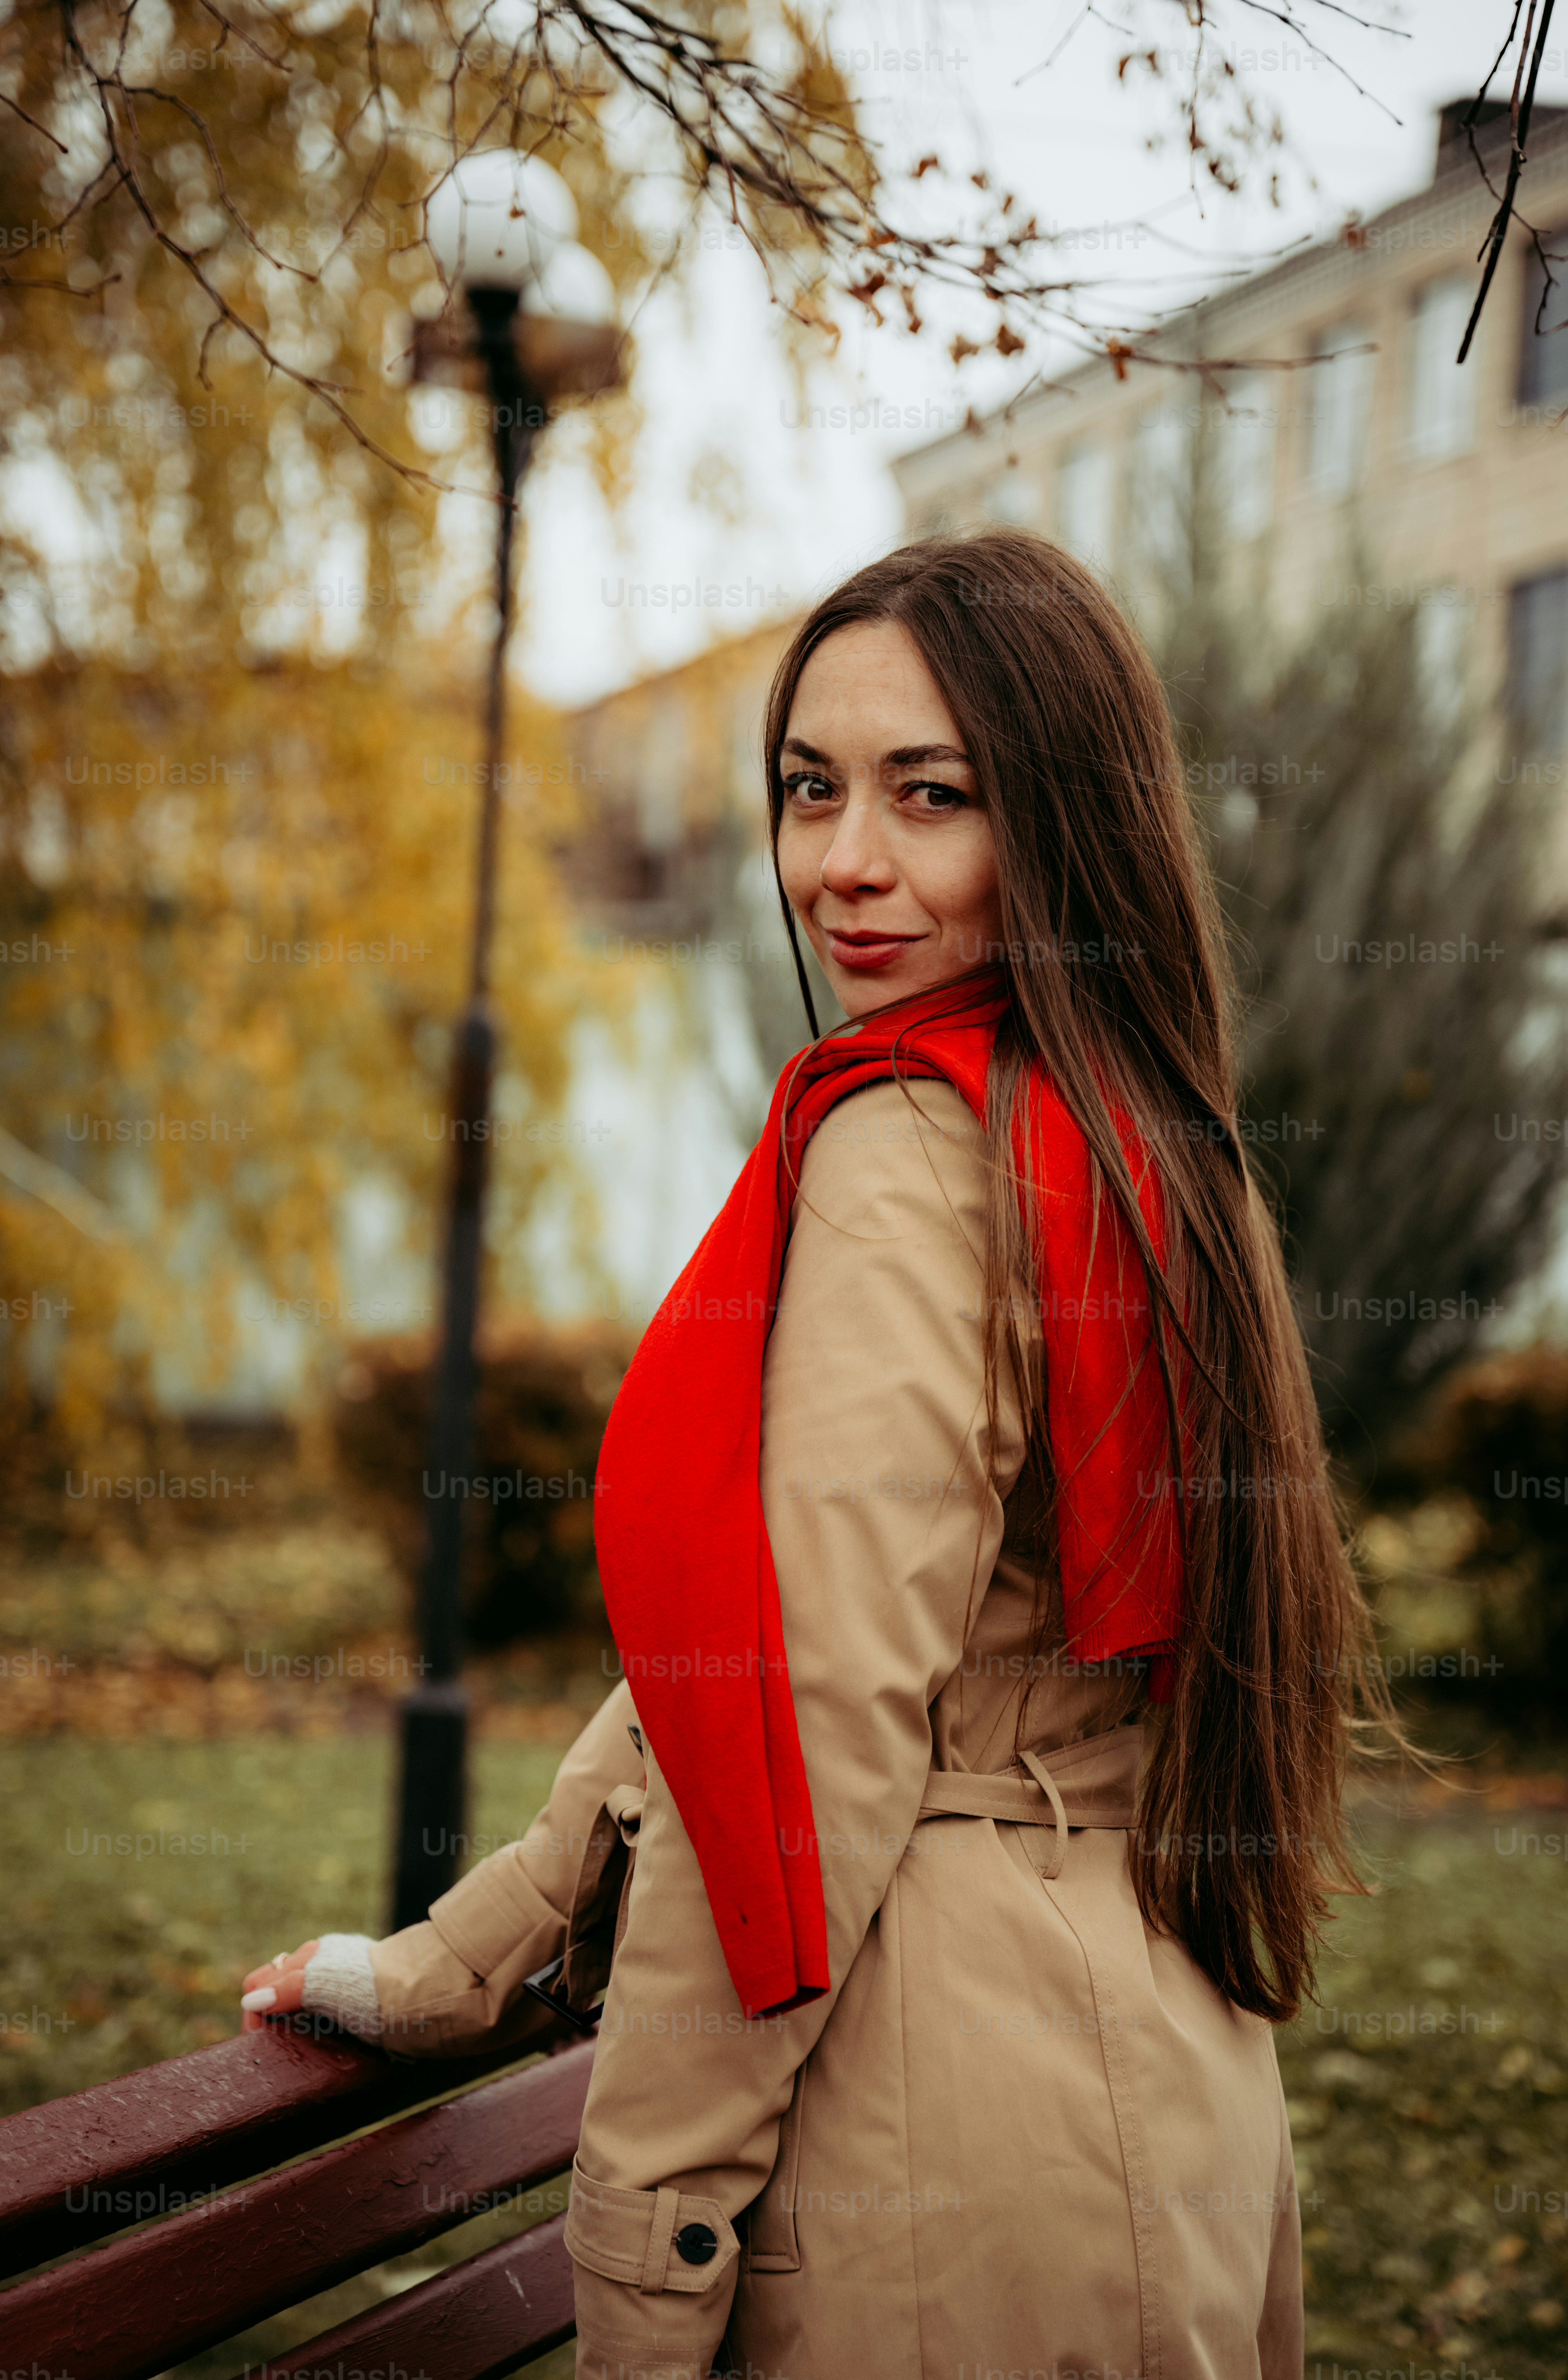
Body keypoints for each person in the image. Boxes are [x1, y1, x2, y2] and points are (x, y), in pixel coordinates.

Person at [244, 530, 1381, 2380]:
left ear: (1066, 825)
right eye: (810, 789)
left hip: (921, 2151)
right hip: (1165, 2104)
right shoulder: (1151, 1143)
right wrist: (465, 1961)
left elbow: (807, 1751)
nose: (845, 863)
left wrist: (649, 2261)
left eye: (933, 798)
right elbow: (751, 1672)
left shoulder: (907, 1158)